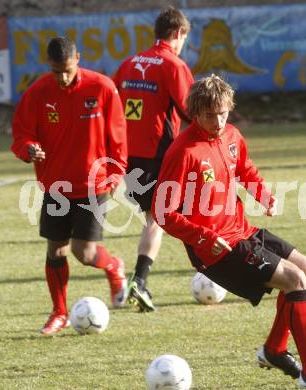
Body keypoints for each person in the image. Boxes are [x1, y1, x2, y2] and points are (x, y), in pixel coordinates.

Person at [151, 75, 306, 388]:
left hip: (242, 230)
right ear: (194, 113)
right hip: (217, 249)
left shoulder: (231, 135)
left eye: (222, 113)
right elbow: (164, 213)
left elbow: (244, 169)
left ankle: (274, 350)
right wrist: (203, 236)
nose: (218, 121)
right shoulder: (183, 152)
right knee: (294, 279)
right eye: (209, 115)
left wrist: (264, 195)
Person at [11, 36, 128, 336]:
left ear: (77, 58)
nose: (62, 77)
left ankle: (113, 266)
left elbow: (117, 134)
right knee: (56, 251)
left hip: (93, 184)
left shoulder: (101, 87)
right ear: (48, 66)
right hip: (56, 186)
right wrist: (28, 149)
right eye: (55, 71)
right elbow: (21, 135)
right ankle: (59, 313)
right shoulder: (37, 93)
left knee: (84, 253)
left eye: (66, 69)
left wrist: (116, 173)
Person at [112, 6, 194, 311]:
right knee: (192, 211)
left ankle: (141, 281)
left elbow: (112, 103)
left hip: (129, 155)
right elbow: (192, 111)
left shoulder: (129, 64)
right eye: (185, 37)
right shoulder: (173, 65)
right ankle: (218, 270)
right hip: (160, 154)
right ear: (178, 33)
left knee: (157, 217)